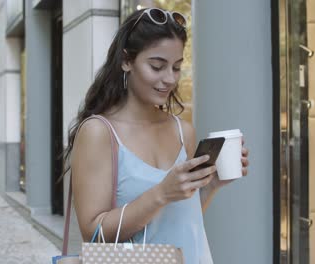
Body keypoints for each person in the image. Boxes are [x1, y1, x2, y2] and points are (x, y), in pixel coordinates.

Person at [63, 8, 250, 264]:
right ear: (126, 61)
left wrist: (212, 184)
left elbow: (181, 218)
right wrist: (161, 193)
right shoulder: (99, 132)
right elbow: (94, 235)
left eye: (176, 67)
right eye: (157, 66)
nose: (169, 79)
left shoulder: (183, 131)